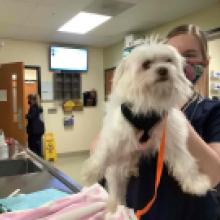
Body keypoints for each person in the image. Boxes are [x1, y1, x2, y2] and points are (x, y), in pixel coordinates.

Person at [125, 24, 220, 219]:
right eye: (172, 55)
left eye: (190, 55)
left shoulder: (212, 110)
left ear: (206, 62)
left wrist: (172, 116)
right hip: (141, 211)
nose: (182, 62)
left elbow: (214, 175)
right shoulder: (136, 106)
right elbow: (97, 148)